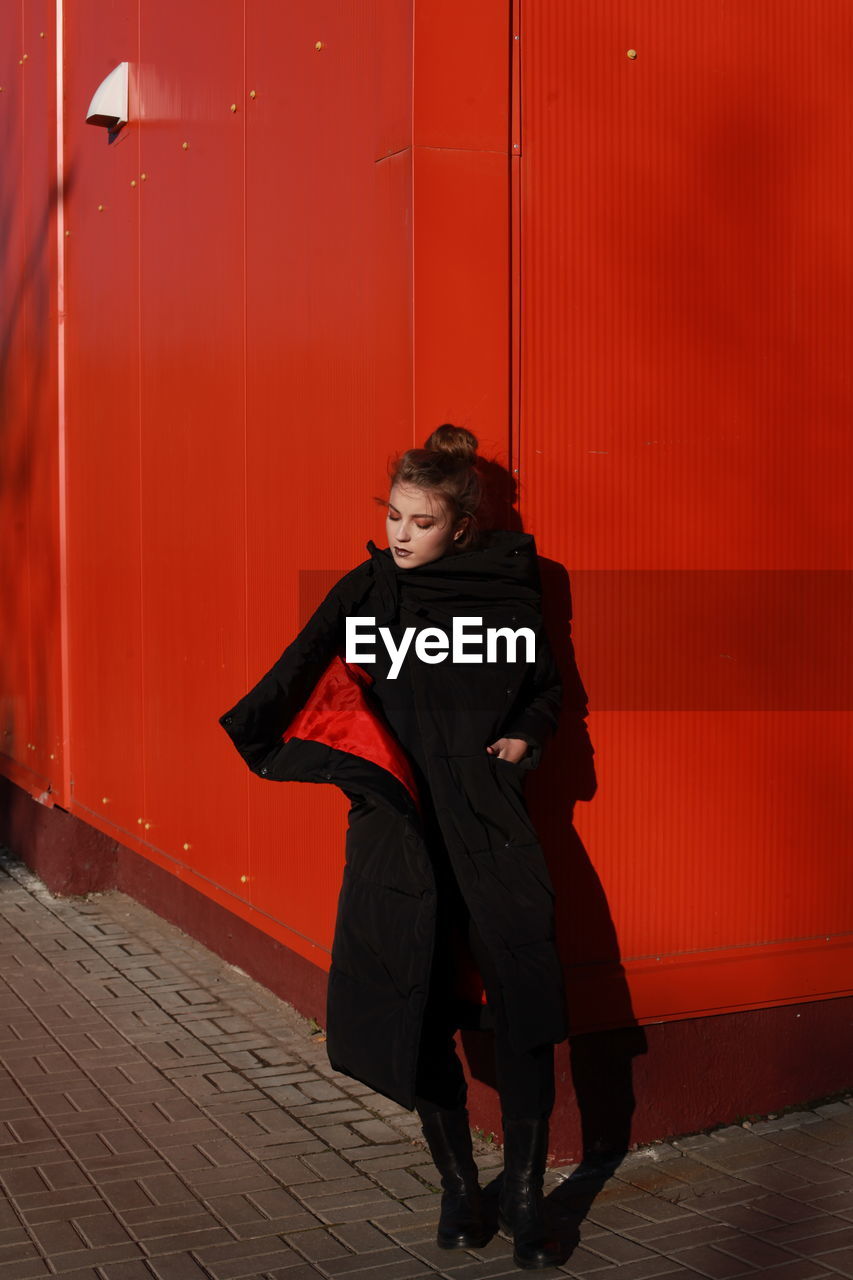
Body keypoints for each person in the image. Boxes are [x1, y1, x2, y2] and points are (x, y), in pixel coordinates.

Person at [219, 425, 568, 1268]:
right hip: (396, 830)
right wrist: (351, 764)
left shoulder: (511, 592)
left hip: (486, 822)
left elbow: (549, 691)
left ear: (460, 527)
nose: (400, 535)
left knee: (521, 1001)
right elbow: (294, 683)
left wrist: (524, 737)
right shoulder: (367, 590)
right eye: (394, 517)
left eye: (419, 521)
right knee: (404, 1005)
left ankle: (522, 1195)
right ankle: (457, 1185)